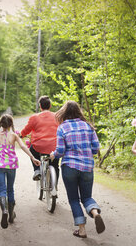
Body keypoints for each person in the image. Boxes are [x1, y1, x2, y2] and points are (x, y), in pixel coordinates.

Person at [50, 101, 105, 238]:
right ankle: (95, 212)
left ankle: (82, 230)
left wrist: (54, 154)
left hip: (69, 167)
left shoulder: (62, 127)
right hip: (87, 167)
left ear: (64, 112)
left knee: (74, 199)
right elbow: (96, 148)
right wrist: (86, 152)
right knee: (86, 197)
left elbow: (61, 150)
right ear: (78, 112)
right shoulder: (88, 126)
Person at [0, 113, 40, 229]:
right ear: (11, 124)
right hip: (11, 166)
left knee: (2, 190)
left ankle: (4, 210)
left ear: (0, 124)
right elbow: (23, 146)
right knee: (10, 189)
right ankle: (11, 215)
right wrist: (33, 157)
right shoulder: (14, 135)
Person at [20, 96, 59, 181]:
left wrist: (21, 135)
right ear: (50, 106)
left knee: (32, 150)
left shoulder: (34, 117)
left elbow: (26, 129)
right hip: (54, 147)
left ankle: (37, 170)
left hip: (39, 147)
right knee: (55, 165)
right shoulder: (57, 116)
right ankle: (54, 188)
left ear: (40, 106)